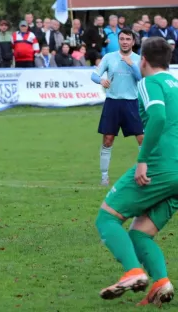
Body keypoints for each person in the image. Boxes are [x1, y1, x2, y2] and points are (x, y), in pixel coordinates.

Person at [95, 37, 177, 306]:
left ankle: (133, 272)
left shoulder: (149, 83)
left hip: (160, 165)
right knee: (140, 233)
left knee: (106, 218)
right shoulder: (176, 85)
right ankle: (161, 282)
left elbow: (159, 117)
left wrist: (143, 160)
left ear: (143, 60)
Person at [91, 28, 143, 186]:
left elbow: (141, 77)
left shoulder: (138, 59)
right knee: (107, 140)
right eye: (122, 39)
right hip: (113, 103)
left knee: (142, 139)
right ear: (118, 41)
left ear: (133, 42)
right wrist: (100, 81)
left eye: (128, 39)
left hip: (133, 103)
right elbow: (94, 75)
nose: (125, 42)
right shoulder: (109, 57)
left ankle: (145, 172)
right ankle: (104, 176)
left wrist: (131, 65)